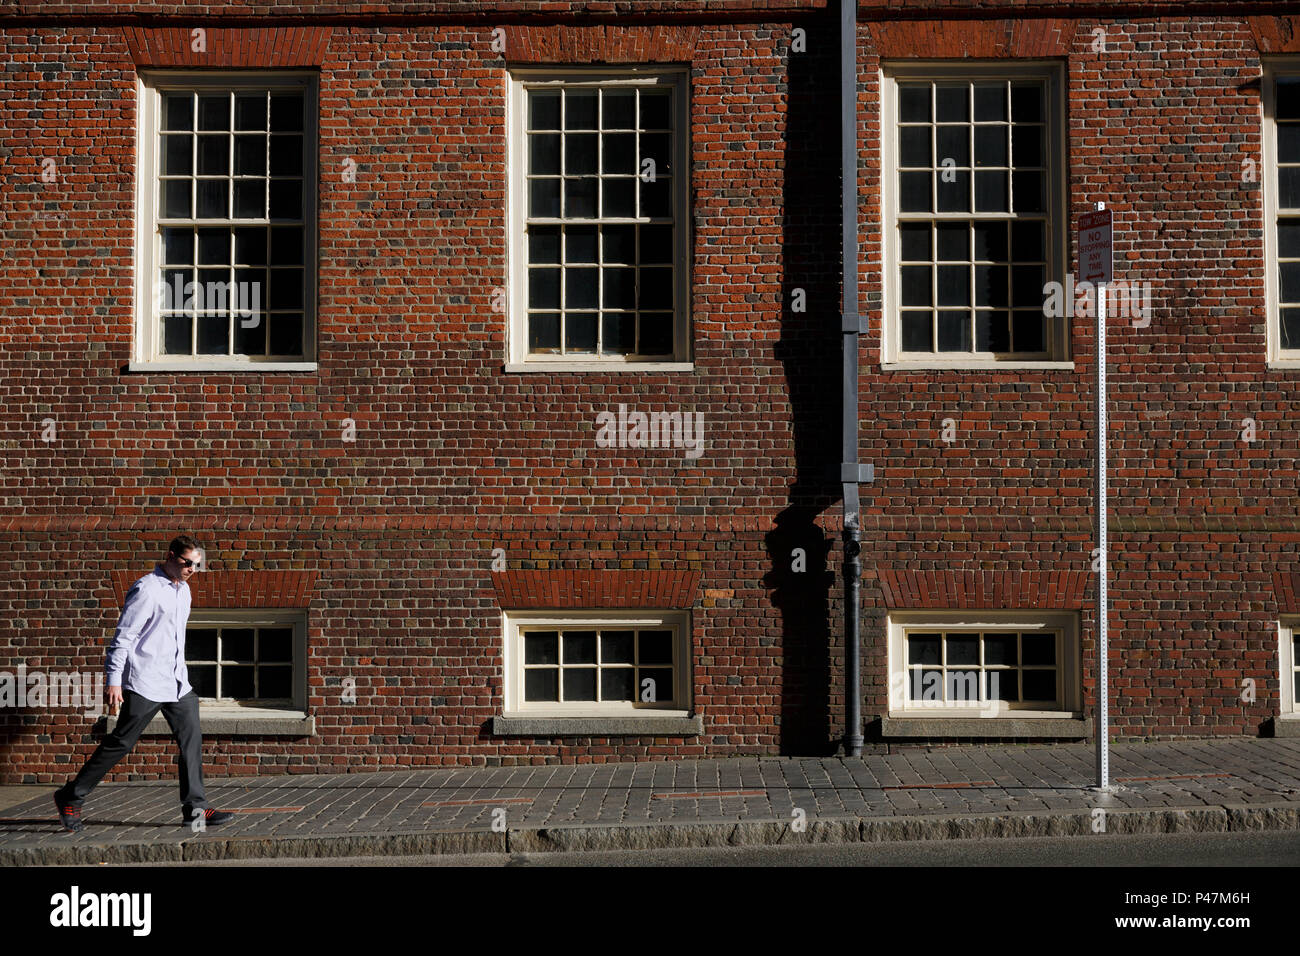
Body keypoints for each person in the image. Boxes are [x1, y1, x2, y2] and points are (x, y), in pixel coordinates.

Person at [52, 536, 234, 831]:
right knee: (120, 743)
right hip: (145, 681)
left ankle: (195, 810)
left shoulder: (183, 591)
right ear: (171, 556)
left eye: (197, 565)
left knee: (191, 741)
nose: (192, 569)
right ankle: (71, 796)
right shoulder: (147, 589)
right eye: (188, 563)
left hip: (177, 682)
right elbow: (123, 638)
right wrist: (114, 681)